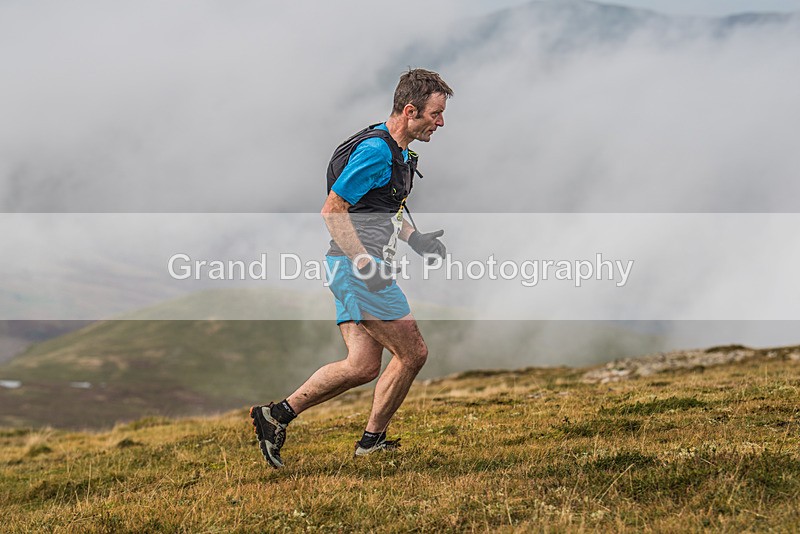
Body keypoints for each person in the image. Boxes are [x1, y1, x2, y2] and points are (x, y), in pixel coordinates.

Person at [250, 68, 453, 468]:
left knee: (361, 366)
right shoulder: (376, 151)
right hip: (358, 268)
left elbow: (381, 208)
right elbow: (333, 209)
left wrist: (416, 239)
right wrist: (364, 261)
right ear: (410, 110)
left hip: (353, 266)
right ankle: (371, 441)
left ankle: (275, 416)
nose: (441, 123)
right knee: (413, 353)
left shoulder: (399, 152)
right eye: (435, 114)